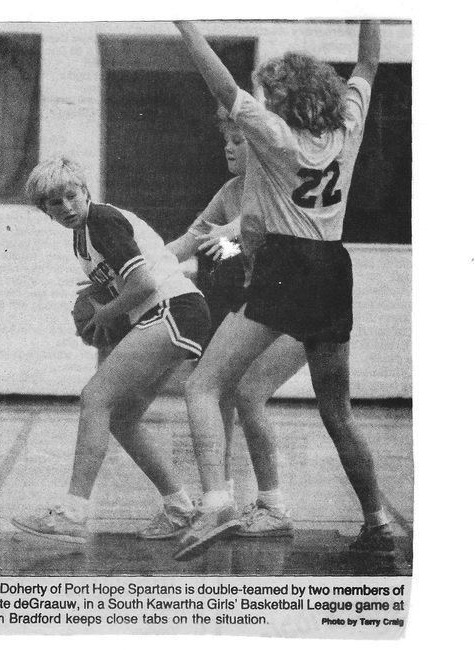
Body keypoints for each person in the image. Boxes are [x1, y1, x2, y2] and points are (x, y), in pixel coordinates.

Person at [174, 20, 396, 558]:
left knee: (203, 385)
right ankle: (379, 523)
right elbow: (367, 63)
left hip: (287, 266)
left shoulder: (274, 137)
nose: (263, 100)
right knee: (338, 411)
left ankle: (217, 504)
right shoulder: (347, 128)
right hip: (333, 269)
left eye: (269, 93)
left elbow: (220, 82)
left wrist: (183, 22)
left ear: (284, 100)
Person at [11, 156, 212, 544]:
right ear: (44, 209)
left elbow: (144, 285)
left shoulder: (101, 220)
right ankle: (180, 508)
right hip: (176, 313)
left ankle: (72, 513)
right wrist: (102, 293)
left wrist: (105, 313)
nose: (66, 206)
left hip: (173, 309)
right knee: (122, 418)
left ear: (85, 191)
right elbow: (132, 281)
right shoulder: (82, 237)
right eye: (55, 202)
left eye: (71, 195)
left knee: (95, 397)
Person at [167, 110, 306, 539]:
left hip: (302, 306)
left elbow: (251, 227)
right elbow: (188, 242)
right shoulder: (228, 191)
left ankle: (274, 506)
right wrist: (136, 263)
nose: (229, 148)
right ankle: (222, 499)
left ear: (260, 147)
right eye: (226, 140)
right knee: (222, 390)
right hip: (262, 307)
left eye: (239, 141)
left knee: (248, 393)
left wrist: (229, 234)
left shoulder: (279, 186)